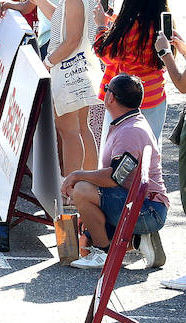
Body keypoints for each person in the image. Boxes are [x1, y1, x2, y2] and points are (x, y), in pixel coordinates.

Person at [66, 74, 170, 270]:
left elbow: (114, 177)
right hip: (143, 205)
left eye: (106, 89)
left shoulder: (130, 132)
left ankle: (104, 252)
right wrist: (89, 213)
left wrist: (76, 175)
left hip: (148, 211)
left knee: (81, 189)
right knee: (83, 243)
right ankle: (138, 241)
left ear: (111, 98)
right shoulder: (128, 122)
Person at [23, 0, 102, 176]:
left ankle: (72, 188)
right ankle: (86, 184)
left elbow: (71, 40)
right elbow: (61, 19)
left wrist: (46, 63)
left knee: (69, 132)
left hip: (69, 70)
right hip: (83, 67)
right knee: (82, 129)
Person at [94, 0, 171, 139]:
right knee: (149, 151)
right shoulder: (163, 25)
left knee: (118, 153)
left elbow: (105, 54)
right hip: (155, 96)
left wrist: (101, 26)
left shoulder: (128, 25)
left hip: (123, 98)